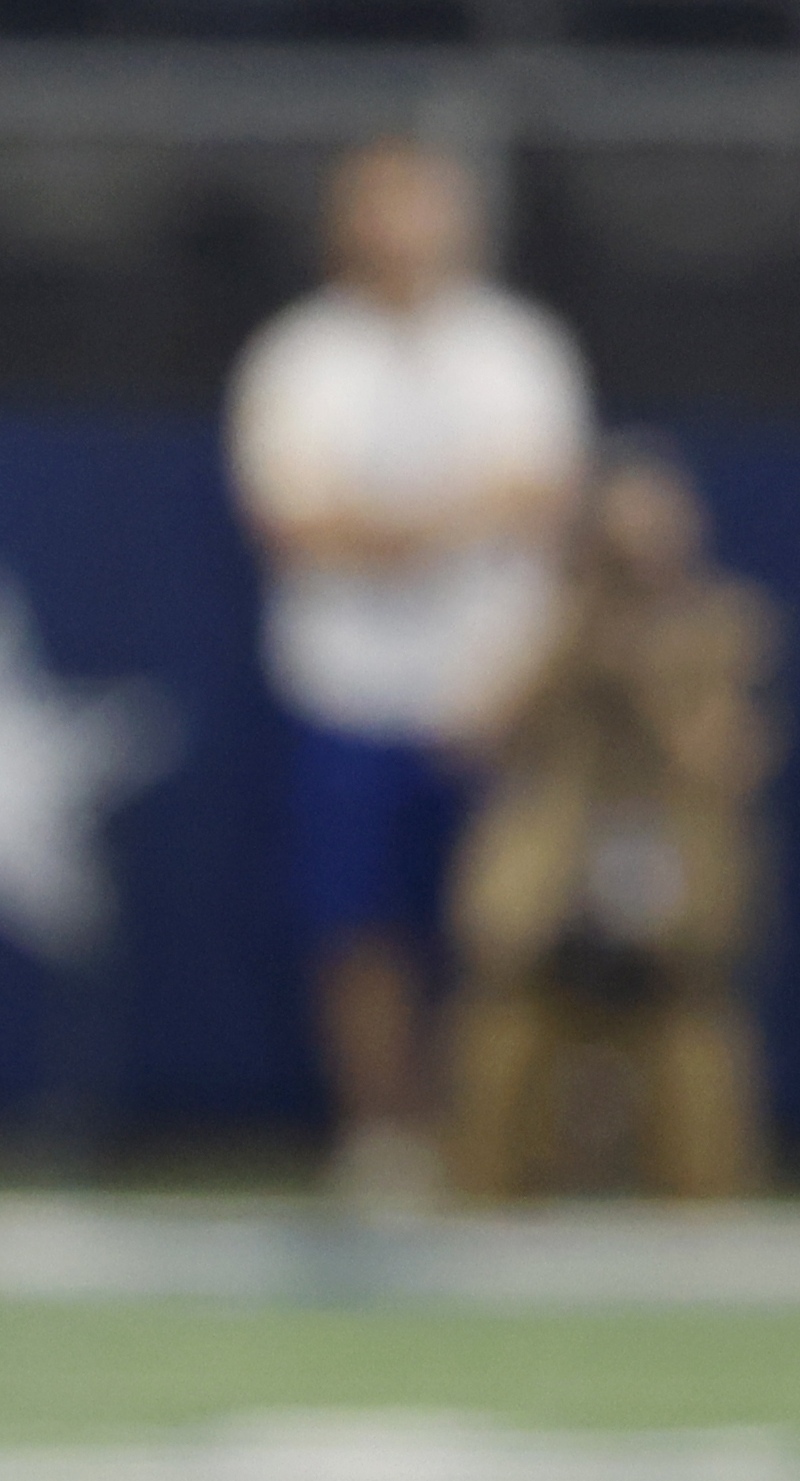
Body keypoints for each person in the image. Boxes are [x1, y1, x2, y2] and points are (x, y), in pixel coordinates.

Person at [227, 137, 589, 1214]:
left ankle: (503, 1137)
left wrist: (387, 530)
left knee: (509, 924)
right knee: (358, 924)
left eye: (419, 210)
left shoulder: (517, 350)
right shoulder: (299, 358)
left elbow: (546, 504)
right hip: (347, 687)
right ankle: (382, 1136)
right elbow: (292, 522)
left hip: (494, 688)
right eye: (379, 212)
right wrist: (455, 515)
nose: (401, 235)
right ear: (345, 227)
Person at [445, 439, 774, 1206]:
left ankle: (704, 1204)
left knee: (695, 1041)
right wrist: (570, 642)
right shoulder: (542, 624)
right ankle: (486, 1194)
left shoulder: (721, 627)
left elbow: (728, 763)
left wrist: (653, 676)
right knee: (504, 1027)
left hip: (671, 874)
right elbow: (474, 738)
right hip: (558, 872)